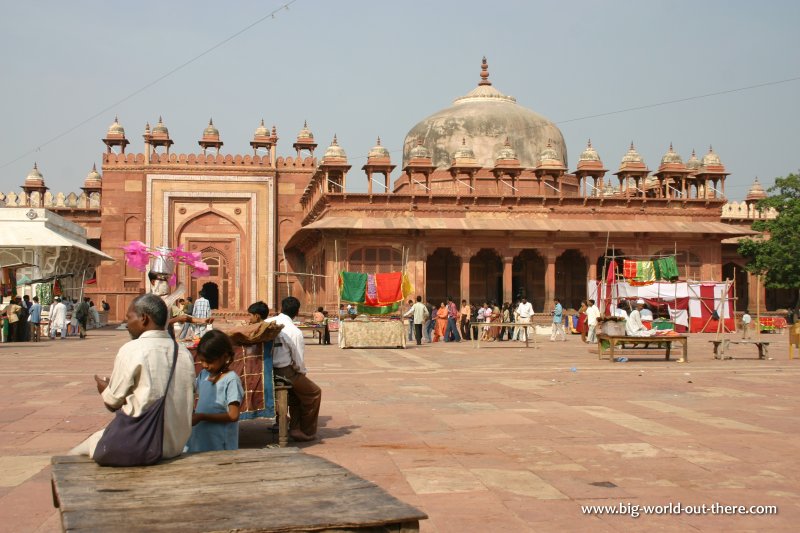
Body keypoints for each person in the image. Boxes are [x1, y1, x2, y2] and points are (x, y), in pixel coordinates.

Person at [69, 294, 195, 460]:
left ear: (143, 318)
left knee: (73, 455)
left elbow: (112, 403)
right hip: (175, 445)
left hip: (143, 444)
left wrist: (105, 389)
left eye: (129, 318)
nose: (127, 324)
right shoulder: (184, 353)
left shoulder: (133, 350)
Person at [266, 296, 322, 442]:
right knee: (314, 392)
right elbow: (298, 361)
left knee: (297, 393)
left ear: (281, 308)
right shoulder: (293, 331)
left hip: (266, 370)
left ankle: (293, 427)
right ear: (297, 312)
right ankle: (306, 430)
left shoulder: (267, 323)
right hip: (284, 371)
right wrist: (301, 374)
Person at [186, 330, 244, 453]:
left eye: (209, 361)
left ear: (224, 357)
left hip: (220, 444)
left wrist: (202, 417)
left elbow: (233, 415)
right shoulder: (204, 375)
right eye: (202, 361)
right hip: (201, 440)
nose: (205, 365)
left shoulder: (231, 380)